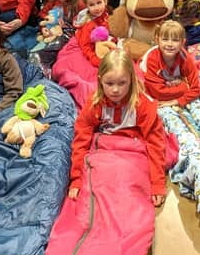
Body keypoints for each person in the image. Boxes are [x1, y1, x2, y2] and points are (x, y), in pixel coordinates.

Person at [68, 49, 167, 207]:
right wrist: (76, 179)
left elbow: (156, 143)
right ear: (100, 81)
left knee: (130, 193)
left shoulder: (142, 105)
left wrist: (158, 184)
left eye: (122, 83)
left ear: (131, 80)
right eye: (109, 83)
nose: (115, 90)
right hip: (105, 151)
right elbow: (80, 140)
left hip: (133, 149)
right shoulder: (94, 105)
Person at [30, 0, 85, 75]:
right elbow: (42, 17)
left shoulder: (78, 4)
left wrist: (70, 25)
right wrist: (44, 28)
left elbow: (85, 19)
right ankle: (37, 59)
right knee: (41, 43)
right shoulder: (52, 3)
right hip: (51, 32)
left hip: (69, 34)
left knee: (57, 44)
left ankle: (44, 63)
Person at [140, 20, 200, 108]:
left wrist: (178, 101)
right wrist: (185, 87)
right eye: (165, 39)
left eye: (175, 40)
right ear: (157, 40)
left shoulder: (185, 58)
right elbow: (157, 92)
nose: (170, 44)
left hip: (174, 93)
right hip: (160, 98)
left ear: (182, 43)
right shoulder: (152, 59)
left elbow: (197, 88)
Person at [73, 0, 109, 67]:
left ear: (105, 1)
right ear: (87, 6)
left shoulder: (106, 15)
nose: (96, 8)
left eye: (99, 3)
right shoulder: (88, 25)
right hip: (91, 51)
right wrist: (97, 61)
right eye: (92, 5)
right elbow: (86, 47)